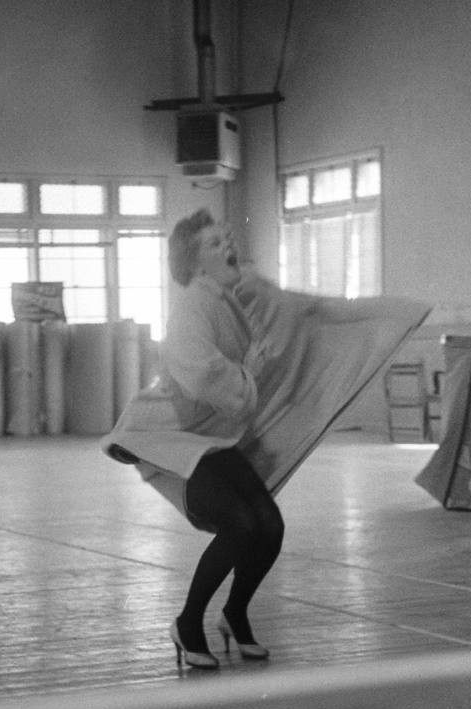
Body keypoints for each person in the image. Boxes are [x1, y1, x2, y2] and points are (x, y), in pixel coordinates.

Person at [103, 208, 429, 671]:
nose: (228, 245)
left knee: (269, 528)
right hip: (178, 441)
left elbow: (309, 310)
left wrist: (393, 312)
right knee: (238, 526)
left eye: (227, 237)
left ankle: (234, 614)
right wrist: (249, 373)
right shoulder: (191, 308)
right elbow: (200, 374)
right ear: (194, 264)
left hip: (218, 439)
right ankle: (188, 622)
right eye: (214, 243)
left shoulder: (239, 293)